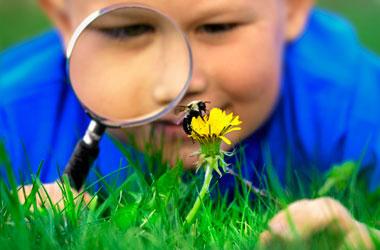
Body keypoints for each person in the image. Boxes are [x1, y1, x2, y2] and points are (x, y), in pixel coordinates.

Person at [1, 0, 380, 247]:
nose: (176, 86)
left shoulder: (358, 109)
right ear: (63, 19)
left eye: (217, 28)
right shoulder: (11, 117)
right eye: (128, 30)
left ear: (294, 9)